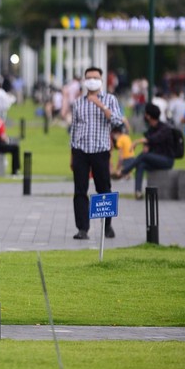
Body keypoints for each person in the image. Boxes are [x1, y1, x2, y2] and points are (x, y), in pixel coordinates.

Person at [69, 67, 124, 240]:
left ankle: (107, 226)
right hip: (81, 151)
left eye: (95, 77)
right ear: (84, 81)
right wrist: (72, 154)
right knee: (80, 190)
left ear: (101, 80)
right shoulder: (78, 103)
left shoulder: (110, 99)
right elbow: (74, 129)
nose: (92, 80)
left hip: (100, 150)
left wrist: (100, 105)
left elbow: (116, 120)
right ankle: (82, 228)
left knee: (104, 189)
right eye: (89, 77)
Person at [119, 103, 175, 199]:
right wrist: (146, 145)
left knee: (144, 156)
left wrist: (137, 142)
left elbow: (155, 138)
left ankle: (125, 170)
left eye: (145, 114)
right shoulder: (151, 129)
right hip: (155, 159)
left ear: (149, 116)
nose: (144, 116)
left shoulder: (164, 128)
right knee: (141, 165)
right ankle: (138, 192)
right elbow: (149, 140)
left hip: (166, 160)